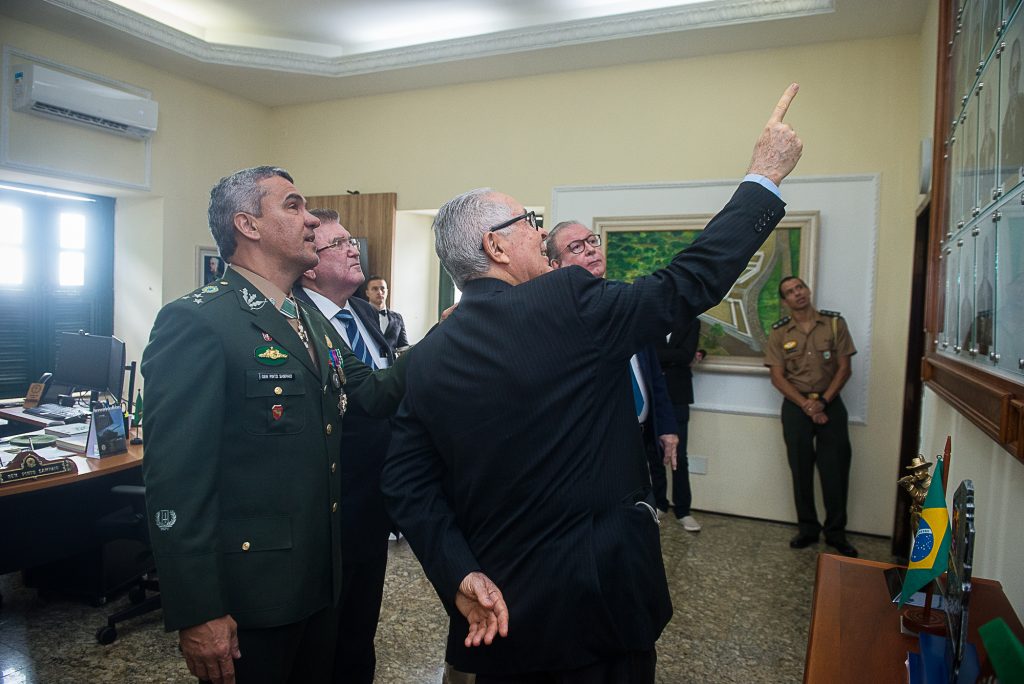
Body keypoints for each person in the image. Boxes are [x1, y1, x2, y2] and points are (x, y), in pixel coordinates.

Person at [381, 84, 802, 681]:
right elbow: (689, 282)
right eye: (528, 221)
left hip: (504, 616)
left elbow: (404, 481)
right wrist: (764, 176)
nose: (536, 230)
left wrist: (457, 572)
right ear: (495, 245)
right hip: (600, 606)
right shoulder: (565, 302)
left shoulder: (426, 356)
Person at [142, 166, 405, 684]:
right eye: (293, 206)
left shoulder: (307, 320)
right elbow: (176, 481)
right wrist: (198, 610)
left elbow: (371, 393)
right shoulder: (197, 321)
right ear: (248, 224)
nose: (310, 220)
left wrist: (463, 325)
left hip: (318, 584)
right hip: (253, 597)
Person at [293, 209, 394, 683]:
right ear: (311, 263)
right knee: (323, 651)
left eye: (354, 241)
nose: (355, 249)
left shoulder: (368, 314)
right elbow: (364, 396)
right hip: (327, 514)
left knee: (359, 641)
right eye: (340, 244)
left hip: (374, 509)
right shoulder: (296, 319)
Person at [544, 220, 680, 519]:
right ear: (555, 265)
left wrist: (667, 426)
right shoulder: (551, 317)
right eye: (576, 247)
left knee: (642, 515)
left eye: (592, 242)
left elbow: (653, 376)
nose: (591, 250)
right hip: (594, 449)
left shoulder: (624, 300)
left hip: (641, 434)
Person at [764, 275, 858, 558]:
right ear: (785, 302)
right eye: (790, 292)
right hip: (796, 407)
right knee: (800, 469)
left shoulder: (833, 323)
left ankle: (836, 533)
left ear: (807, 290)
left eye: (800, 288)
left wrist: (823, 402)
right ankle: (807, 529)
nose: (797, 294)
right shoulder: (780, 332)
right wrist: (806, 405)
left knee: (835, 471)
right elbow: (777, 377)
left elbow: (844, 368)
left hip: (830, 403)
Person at [655, 317, 705, 532]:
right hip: (654, 393)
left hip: (678, 395)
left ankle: (683, 510)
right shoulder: (650, 319)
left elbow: (686, 356)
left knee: (680, 456)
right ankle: (658, 504)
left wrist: (660, 357)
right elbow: (646, 354)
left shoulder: (691, 322)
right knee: (654, 455)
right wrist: (672, 357)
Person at [364, 275, 409, 354]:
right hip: (367, 364)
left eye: (382, 288)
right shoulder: (360, 315)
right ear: (367, 293)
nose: (379, 292)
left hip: (392, 364)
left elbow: (403, 347)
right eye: (375, 289)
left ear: (387, 291)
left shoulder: (398, 317)